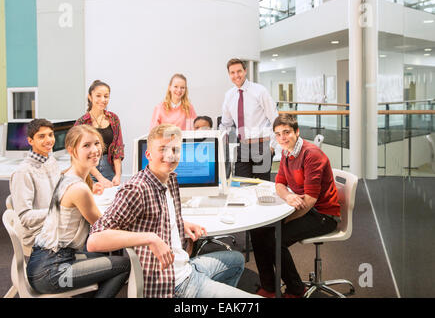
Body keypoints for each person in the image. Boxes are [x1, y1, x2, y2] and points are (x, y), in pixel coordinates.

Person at [87, 124, 259, 298]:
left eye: (175, 149)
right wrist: (150, 238)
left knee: (236, 260)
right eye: (163, 149)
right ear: (148, 155)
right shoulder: (136, 189)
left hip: (186, 266)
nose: (170, 155)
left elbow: (155, 214)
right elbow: (94, 240)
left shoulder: (170, 179)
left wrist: (180, 223)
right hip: (174, 284)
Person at [26, 125, 130, 297]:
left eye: (97, 143)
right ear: (72, 150)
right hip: (51, 272)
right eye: (86, 145)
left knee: (101, 254)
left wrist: (91, 191)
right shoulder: (78, 188)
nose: (95, 150)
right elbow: (104, 227)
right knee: (123, 265)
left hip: (43, 262)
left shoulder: (68, 175)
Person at [249, 114, 341, 298]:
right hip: (301, 207)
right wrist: (288, 196)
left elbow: (310, 201)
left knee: (275, 239)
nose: (282, 137)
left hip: (323, 215)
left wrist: (283, 221)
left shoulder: (311, 155)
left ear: (297, 132)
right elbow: (279, 183)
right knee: (258, 230)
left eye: (286, 132)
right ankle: (269, 287)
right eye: (278, 134)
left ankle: (296, 290)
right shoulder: (286, 152)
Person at [219, 58, 278, 181]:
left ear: (245, 71)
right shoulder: (229, 95)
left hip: (263, 145)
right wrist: (221, 144)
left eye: (239, 71)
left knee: (262, 186)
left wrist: (272, 146)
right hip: (242, 147)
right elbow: (225, 124)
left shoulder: (260, 91)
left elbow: (274, 119)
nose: (236, 75)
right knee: (241, 185)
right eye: (232, 72)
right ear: (229, 74)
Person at [9, 119, 61, 248]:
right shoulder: (23, 172)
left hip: (55, 224)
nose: (49, 140)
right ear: (30, 141)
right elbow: (25, 217)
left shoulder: (51, 159)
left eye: (51, 134)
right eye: (41, 136)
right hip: (38, 233)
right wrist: (58, 211)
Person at [75, 80, 124, 187]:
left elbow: (118, 148)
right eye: (98, 96)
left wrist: (118, 175)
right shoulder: (82, 122)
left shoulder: (113, 119)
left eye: (106, 96)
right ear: (90, 97)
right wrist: (100, 178)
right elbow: (80, 154)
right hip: (88, 170)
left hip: (109, 167)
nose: (103, 100)